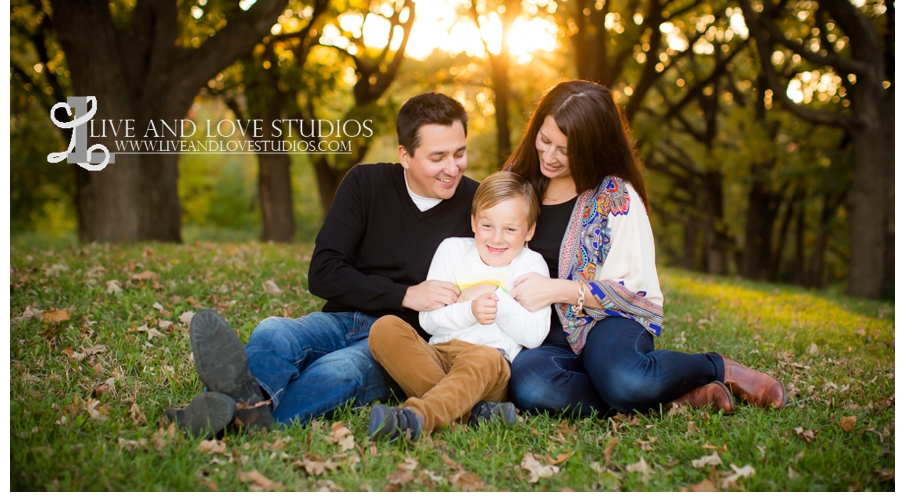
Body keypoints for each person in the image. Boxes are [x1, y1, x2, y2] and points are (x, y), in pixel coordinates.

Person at [168, 92, 479, 432]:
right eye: (438, 157)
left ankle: (229, 416)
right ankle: (243, 410)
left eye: (459, 153)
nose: (453, 168)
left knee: (339, 371)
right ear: (405, 155)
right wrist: (405, 294)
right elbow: (323, 273)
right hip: (343, 318)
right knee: (274, 332)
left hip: (403, 342)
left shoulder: (478, 207)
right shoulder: (365, 184)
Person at [504, 80, 786, 417]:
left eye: (564, 150)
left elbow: (634, 292)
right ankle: (671, 398)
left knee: (625, 379)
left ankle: (716, 368)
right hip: (541, 332)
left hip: (606, 321)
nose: (549, 156)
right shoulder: (514, 184)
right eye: (545, 140)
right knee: (532, 385)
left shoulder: (616, 197)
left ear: (592, 147)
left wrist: (557, 290)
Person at [366, 171, 550, 441]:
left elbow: (535, 336)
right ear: (473, 222)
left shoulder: (531, 265)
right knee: (385, 328)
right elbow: (428, 321)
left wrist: (496, 296)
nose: (497, 239)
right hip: (439, 356)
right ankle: (474, 412)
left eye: (510, 229)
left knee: (484, 357)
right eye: (487, 226)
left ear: (529, 230)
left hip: (490, 364)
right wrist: (469, 310)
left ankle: (416, 418)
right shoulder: (452, 251)